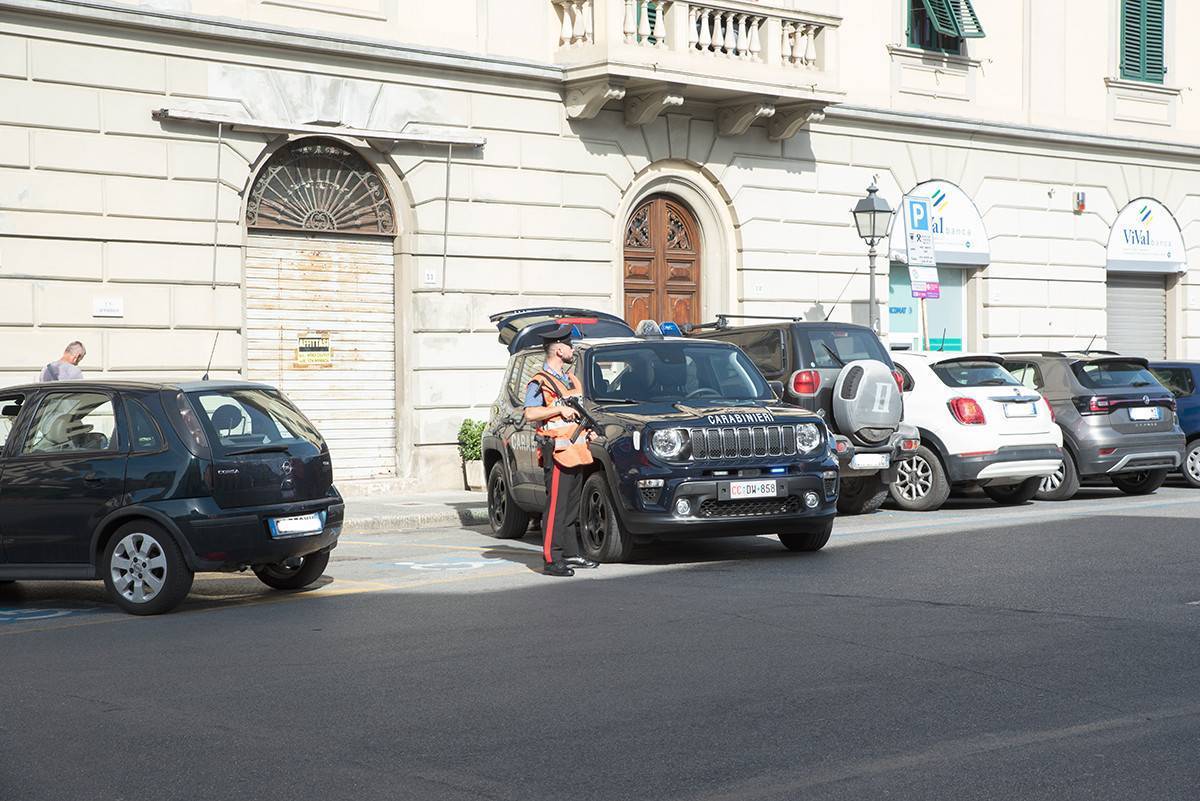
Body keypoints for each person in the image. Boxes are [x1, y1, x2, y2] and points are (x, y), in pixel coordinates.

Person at [524, 325, 600, 577]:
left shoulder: (571, 380)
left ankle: (570, 553)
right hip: (556, 453)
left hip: (576, 451)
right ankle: (551, 559)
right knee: (556, 509)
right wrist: (558, 409)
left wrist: (587, 430)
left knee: (570, 508)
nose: (572, 349)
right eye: (569, 345)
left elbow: (576, 415)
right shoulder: (540, 382)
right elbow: (530, 413)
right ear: (558, 349)